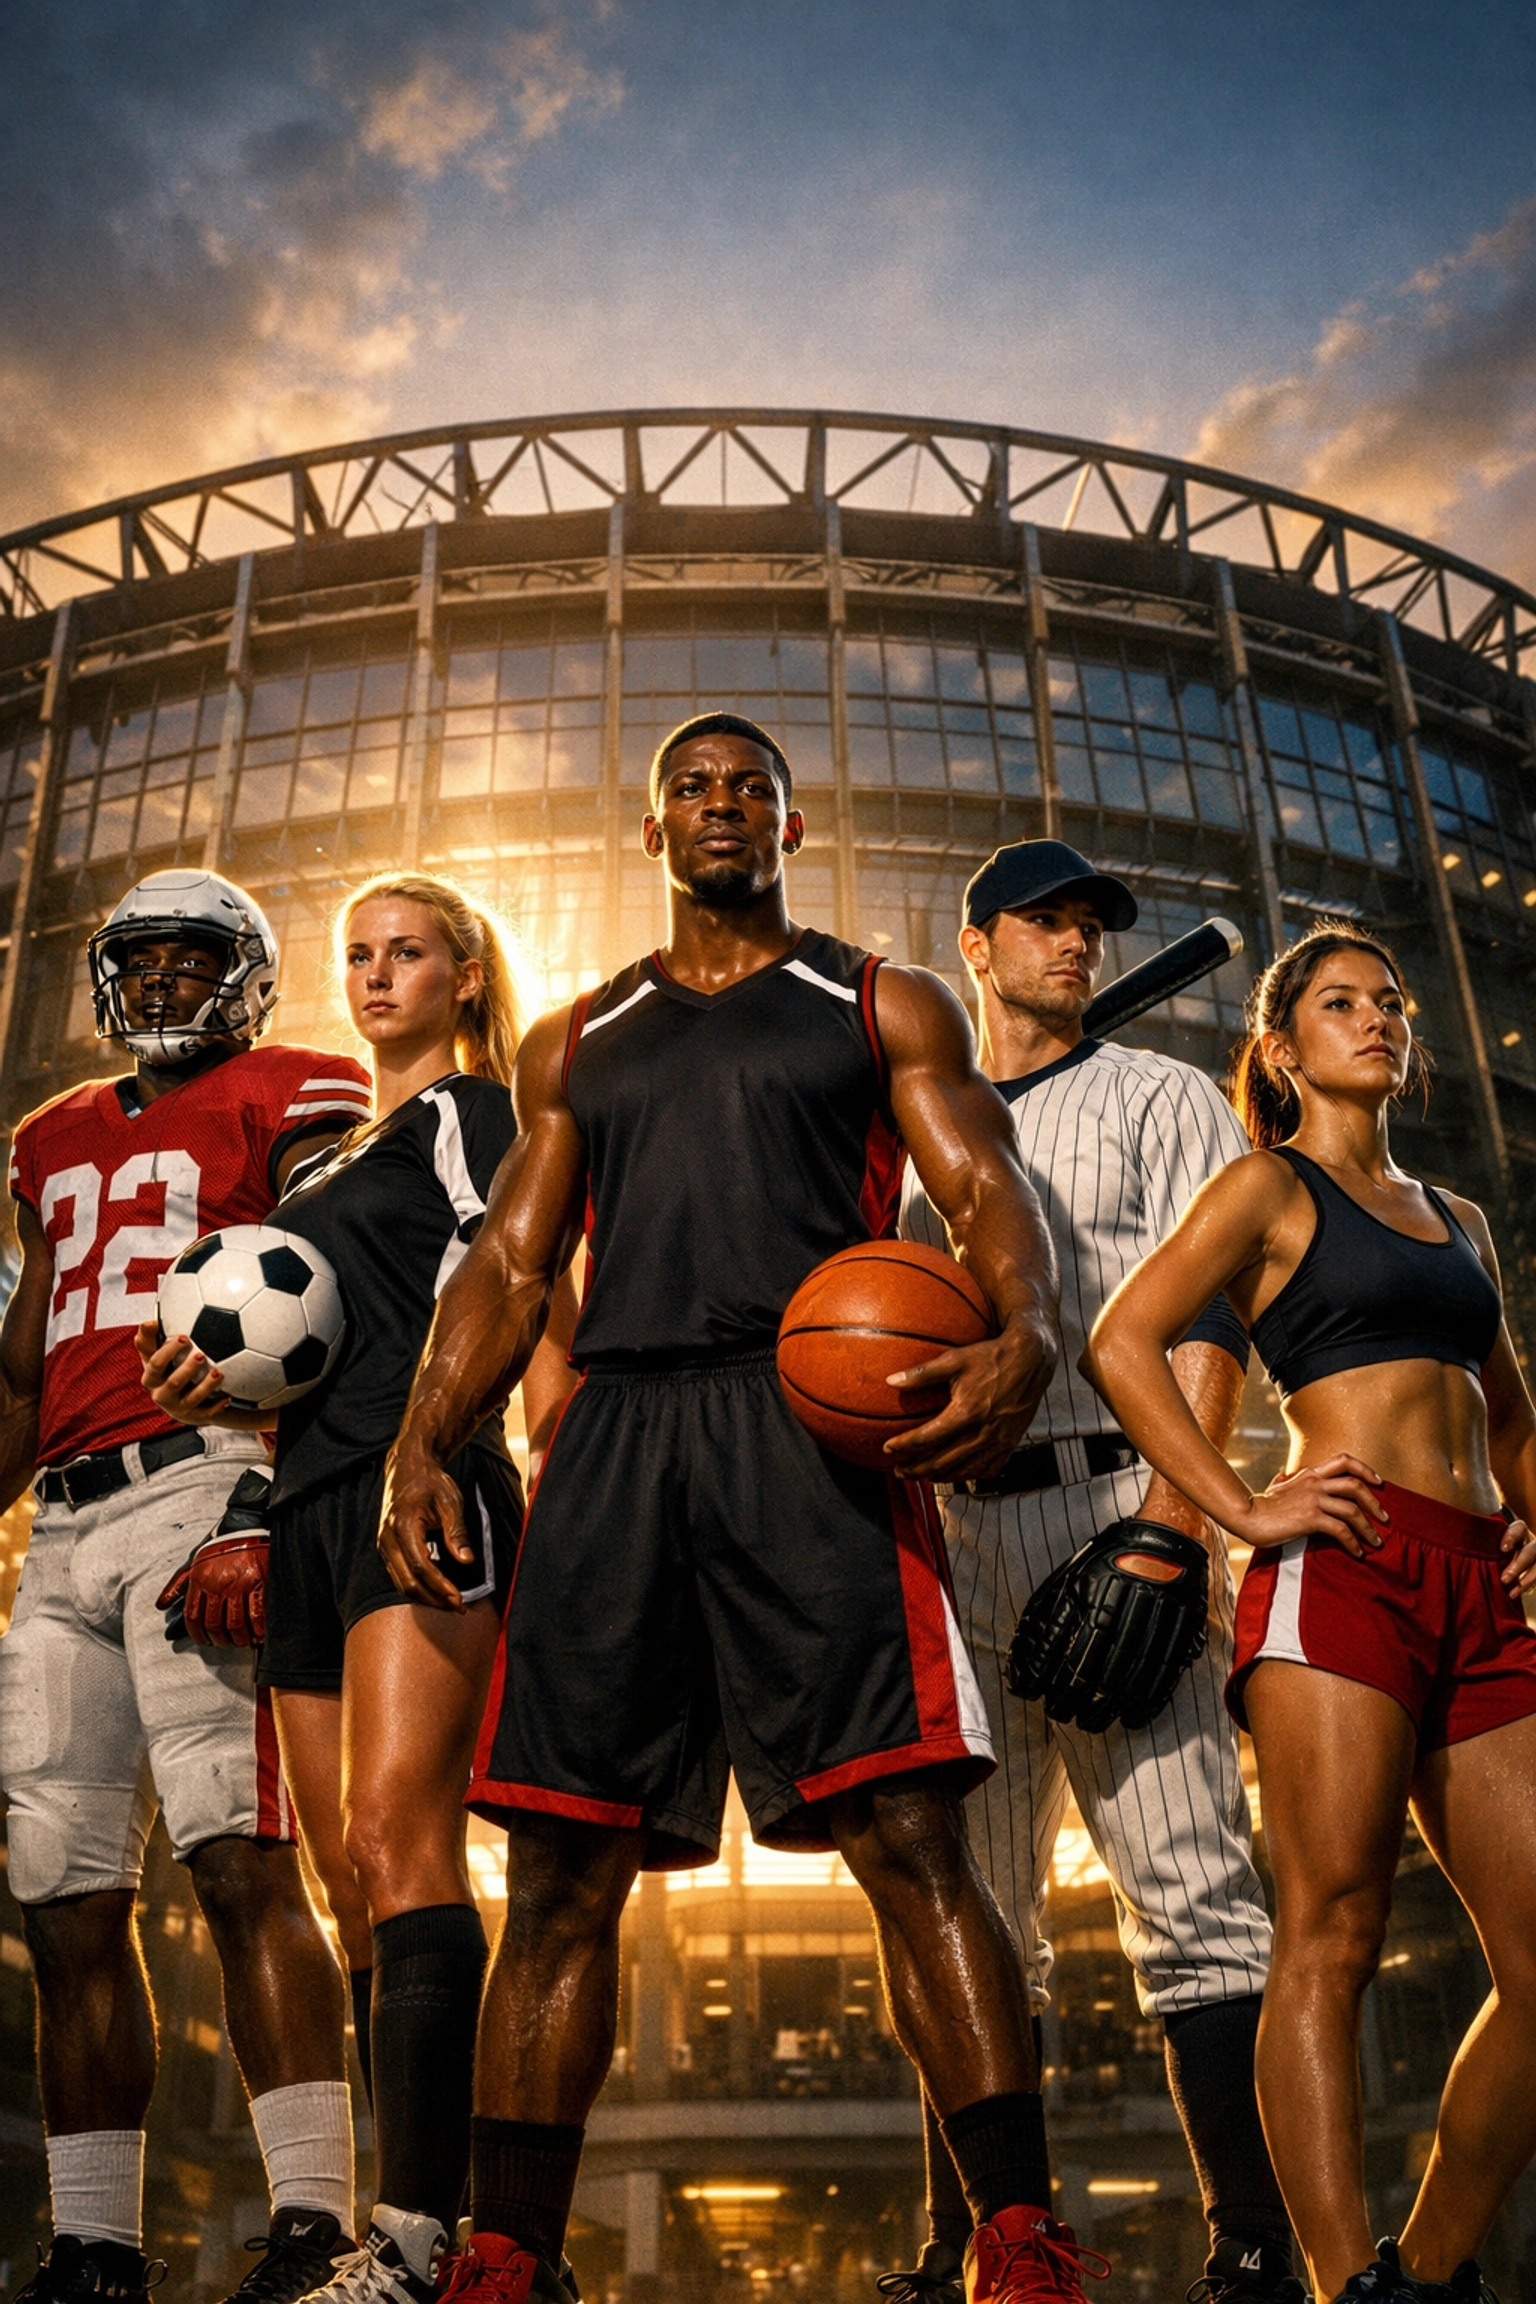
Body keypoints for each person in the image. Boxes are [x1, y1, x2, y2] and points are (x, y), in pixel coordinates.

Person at [375, 711, 1115, 2304]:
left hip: (809, 1427)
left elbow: (992, 1193)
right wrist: (424, 1437)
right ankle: (510, 2251)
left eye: (752, 790)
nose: (723, 807)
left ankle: (1017, 2234)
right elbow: (510, 1264)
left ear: (791, 825)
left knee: (911, 1836)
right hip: (621, 1438)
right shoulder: (577, 1037)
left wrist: (1027, 1334)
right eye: (693, 790)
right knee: (558, 1870)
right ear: (652, 835)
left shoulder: (877, 1000)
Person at [138, 874, 578, 2304]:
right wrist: (217, 1397)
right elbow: (291, 1354)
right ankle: (426, 2228)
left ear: (464, 975)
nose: (378, 976)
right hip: (312, 1509)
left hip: (427, 1488)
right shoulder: (319, 1172)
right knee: (348, 1885)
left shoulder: (478, 1115)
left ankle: (419, 2239)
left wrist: (462, 1451)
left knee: (403, 1845)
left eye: (409, 953)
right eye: (359, 957)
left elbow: (516, 1286)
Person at [1084, 920, 1536, 2304]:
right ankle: (1348, 2283)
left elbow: (1512, 1417)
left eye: (1391, 1002)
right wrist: (1240, 1503)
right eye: (1342, 1003)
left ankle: (1432, 2268)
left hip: (1479, 1581)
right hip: (1341, 1567)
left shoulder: (1456, 1219)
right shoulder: (1265, 1190)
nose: (1378, 1018)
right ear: (1284, 1049)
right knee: (1329, 1931)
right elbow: (1123, 1339)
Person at [895, 841, 1294, 2304]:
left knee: (1193, 1892)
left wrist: (1178, 1531)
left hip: (1122, 1496)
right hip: (953, 1535)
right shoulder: (922, 1133)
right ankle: (974, 2242)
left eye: (1090, 929)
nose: (1074, 946)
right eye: (1043, 925)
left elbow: (1218, 1316)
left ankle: (1253, 2242)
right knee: (971, 1915)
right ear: (975, 947)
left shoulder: (1166, 1094)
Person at [0, 869, 373, 2304]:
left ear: (248, 972)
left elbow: (349, 1289)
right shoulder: (51, 1139)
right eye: (137, 958)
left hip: (204, 1480)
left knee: (237, 1859)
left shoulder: (302, 1086)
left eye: (190, 955)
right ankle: (94, 2245)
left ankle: (312, 2222)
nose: (160, 980)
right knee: (65, 1902)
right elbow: (27, 1372)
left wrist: (274, 1505)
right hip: (62, 1526)